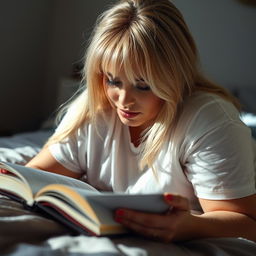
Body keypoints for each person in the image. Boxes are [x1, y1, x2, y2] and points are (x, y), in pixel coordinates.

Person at [26, 0, 256, 242]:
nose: (124, 101)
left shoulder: (209, 119)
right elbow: (37, 174)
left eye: (143, 85)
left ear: (173, 76)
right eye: (114, 80)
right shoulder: (97, 103)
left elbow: (248, 224)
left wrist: (191, 226)